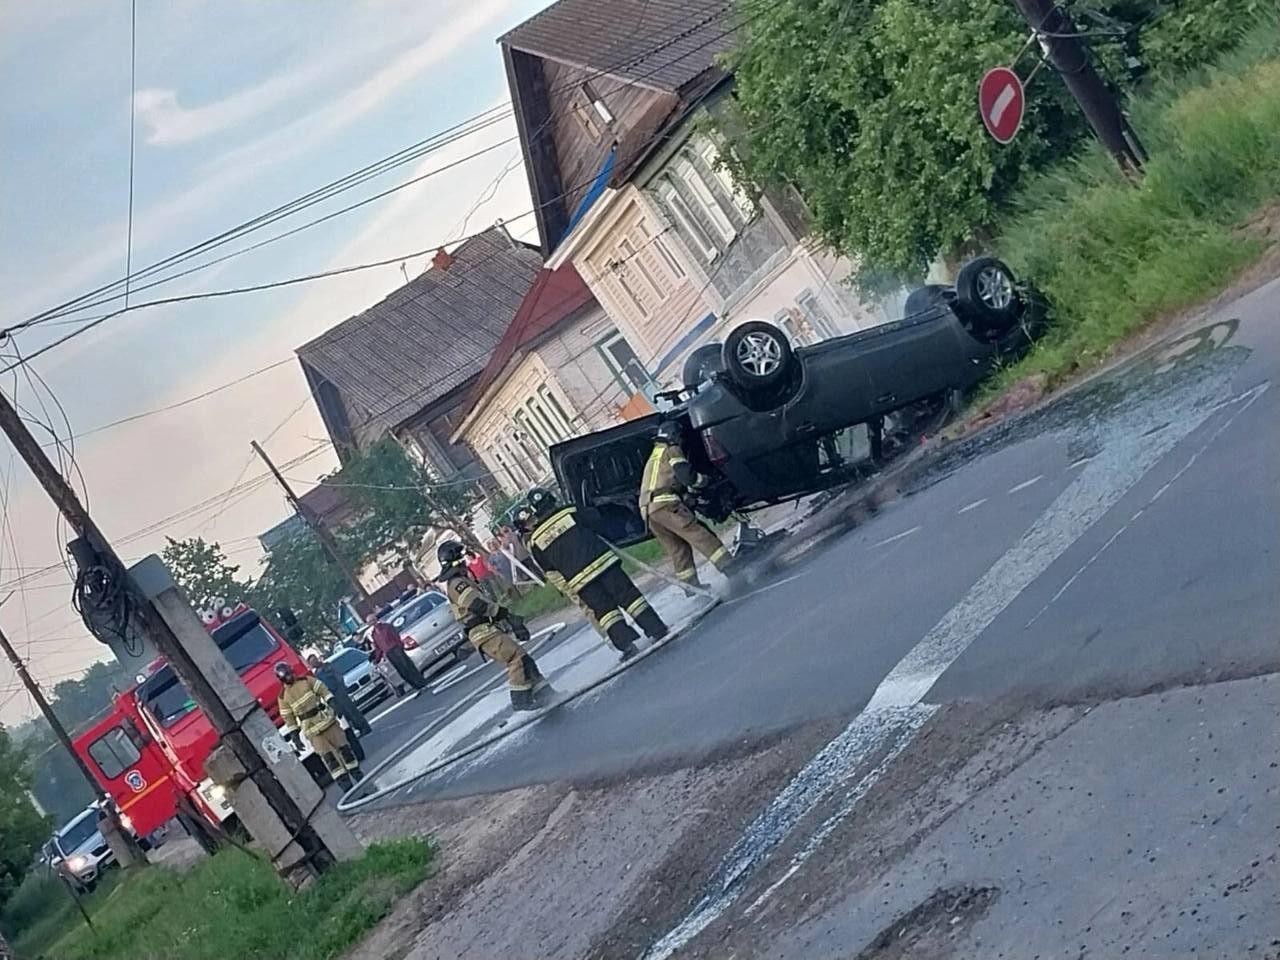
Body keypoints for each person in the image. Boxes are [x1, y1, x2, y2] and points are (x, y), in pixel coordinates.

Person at [524, 487, 667, 659]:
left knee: (605, 612)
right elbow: (597, 522)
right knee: (630, 598)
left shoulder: (535, 541)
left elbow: (549, 569)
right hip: (604, 565)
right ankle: (656, 629)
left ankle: (626, 645)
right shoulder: (571, 511)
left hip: (580, 582)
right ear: (552, 499)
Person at [438, 540, 551, 711]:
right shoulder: (456, 584)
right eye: (461, 557)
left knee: (524, 658)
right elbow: (478, 605)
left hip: (488, 629)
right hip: (481, 631)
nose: (465, 561)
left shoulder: (462, 579)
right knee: (515, 657)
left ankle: (545, 693)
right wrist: (506, 614)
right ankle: (520, 700)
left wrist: (507, 620)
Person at [639, 419, 737, 587]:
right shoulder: (672, 449)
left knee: (678, 549)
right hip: (665, 505)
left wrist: (686, 498)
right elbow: (687, 476)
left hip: (648, 511)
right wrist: (705, 480)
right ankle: (731, 568)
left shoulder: (655, 454)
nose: (681, 441)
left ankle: (692, 589)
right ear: (674, 436)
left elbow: (666, 482)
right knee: (699, 534)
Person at [274, 662, 363, 791]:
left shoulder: (306, 681)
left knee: (345, 749)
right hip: (312, 731)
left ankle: (358, 777)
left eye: (289, 674)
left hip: (327, 721)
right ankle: (346, 786)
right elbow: (289, 719)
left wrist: (333, 704)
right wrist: (295, 737)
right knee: (329, 759)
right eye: (285, 676)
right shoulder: (283, 697)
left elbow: (323, 690)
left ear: (292, 671)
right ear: (281, 679)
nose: (289, 677)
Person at [305, 650, 372, 736]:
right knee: (345, 713)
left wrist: (341, 687)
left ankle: (364, 727)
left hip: (339, 691)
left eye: (315, 660)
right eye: (312, 662)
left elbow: (337, 675)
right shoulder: (317, 674)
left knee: (351, 710)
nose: (315, 662)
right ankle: (357, 728)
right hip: (331, 695)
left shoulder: (326, 666)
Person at [366, 613, 427, 690]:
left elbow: (396, 637)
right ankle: (416, 686)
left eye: (372, 620)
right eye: (369, 622)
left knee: (409, 667)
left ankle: (422, 683)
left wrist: (400, 647)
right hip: (389, 654)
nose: (372, 622)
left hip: (396, 649)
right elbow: (379, 648)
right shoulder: (374, 634)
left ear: (376, 619)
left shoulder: (386, 627)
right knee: (402, 672)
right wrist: (377, 659)